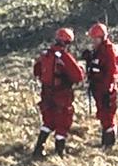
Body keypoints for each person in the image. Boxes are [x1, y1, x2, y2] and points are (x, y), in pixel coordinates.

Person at [32, 28, 85, 157]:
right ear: (68, 42)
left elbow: (36, 70)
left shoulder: (46, 54)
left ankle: (39, 148)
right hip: (62, 94)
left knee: (48, 121)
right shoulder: (64, 56)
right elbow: (78, 76)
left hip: (46, 93)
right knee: (63, 122)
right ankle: (60, 152)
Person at [82, 22, 118, 148]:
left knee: (108, 116)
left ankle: (109, 144)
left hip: (106, 89)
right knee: (102, 115)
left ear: (102, 37)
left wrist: (108, 90)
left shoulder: (109, 50)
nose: (93, 41)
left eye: (95, 38)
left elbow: (112, 72)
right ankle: (105, 142)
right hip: (99, 88)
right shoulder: (99, 50)